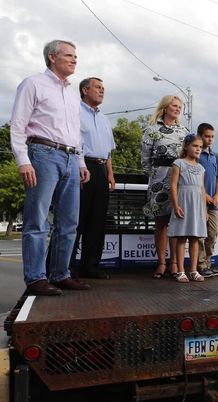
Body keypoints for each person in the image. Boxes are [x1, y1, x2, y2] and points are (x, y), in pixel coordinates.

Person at [10, 39, 91, 296]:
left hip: (69, 157)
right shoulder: (33, 83)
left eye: (76, 56)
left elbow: (74, 132)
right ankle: (36, 278)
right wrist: (23, 159)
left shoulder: (70, 93)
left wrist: (80, 161)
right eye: (69, 55)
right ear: (52, 58)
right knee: (37, 220)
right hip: (42, 154)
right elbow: (18, 125)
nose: (74, 60)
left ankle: (60, 274)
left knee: (69, 222)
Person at [141, 95, 190, 279]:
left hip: (179, 179)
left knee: (176, 222)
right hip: (159, 178)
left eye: (180, 107)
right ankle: (161, 262)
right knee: (161, 222)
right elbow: (145, 158)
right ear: (165, 107)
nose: (178, 109)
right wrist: (154, 175)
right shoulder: (151, 130)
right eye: (174, 106)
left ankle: (175, 263)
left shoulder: (184, 131)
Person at [73, 77, 116, 280]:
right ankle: (66, 267)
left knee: (97, 221)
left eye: (103, 88)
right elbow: (74, 143)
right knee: (76, 219)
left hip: (100, 169)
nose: (102, 91)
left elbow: (108, 151)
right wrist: (80, 166)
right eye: (97, 87)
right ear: (84, 90)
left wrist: (110, 175)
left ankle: (91, 266)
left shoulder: (105, 119)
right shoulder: (75, 111)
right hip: (82, 167)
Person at [168, 134, 208, 283]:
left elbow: (203, 189)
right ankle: (180, 271)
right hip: (184, 202)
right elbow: (173, 185)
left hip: (197, 205)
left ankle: (193, 270)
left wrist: (204, 210)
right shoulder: (178, 163)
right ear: (186, 146)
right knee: (182, 237)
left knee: (195, 238)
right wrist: (176, 205)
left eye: (200, 147)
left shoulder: (201, 168)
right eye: (195, 146)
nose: (198, 149)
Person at [196, 123, 218, 279]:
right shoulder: (197, 155)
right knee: (200, 235)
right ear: (200, 136)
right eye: (207, 136)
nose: (210, 139)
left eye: (212, 136)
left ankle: (208, 262)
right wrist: (204, 194)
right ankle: (201, 265)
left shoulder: (215, 156)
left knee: (213, 233)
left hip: (214, 202)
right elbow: (196, 177)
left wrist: (217, 194)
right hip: (199, 200)